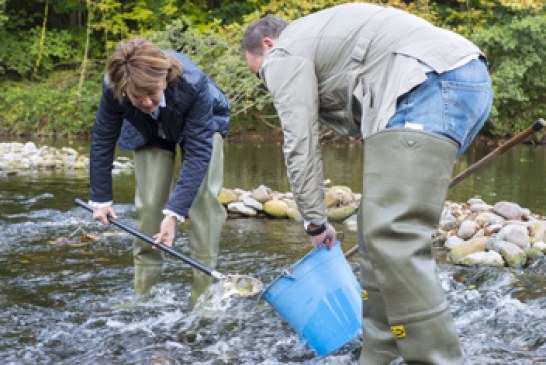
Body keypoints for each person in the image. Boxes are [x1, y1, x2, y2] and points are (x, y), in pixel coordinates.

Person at [243, 4, 492, 364]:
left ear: (267, 44)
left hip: (429, 85)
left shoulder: (284, 52)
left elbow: (300, 141)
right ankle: (380, 355)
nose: (265, 82)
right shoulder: (322, 39)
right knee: (374, 233)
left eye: (259, 73)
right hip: (458, 84)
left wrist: (315, 220)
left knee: (394, 236)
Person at [89, 38, 230, 306]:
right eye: (136, 97)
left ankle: (203, 299)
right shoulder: (114, 85)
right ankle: (143, 296)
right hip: (148, 131)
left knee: (203, 204)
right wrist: (101, 199)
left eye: (151, 94)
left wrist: (175, 213)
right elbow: (103, 138)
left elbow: (199, 152)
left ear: (164, 78)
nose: (146, 101)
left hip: (200, 126)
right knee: (149, 208)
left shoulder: (194, 84)